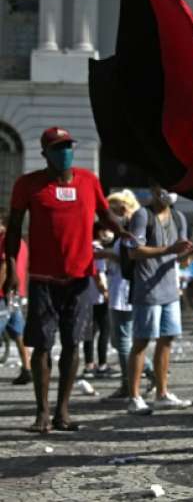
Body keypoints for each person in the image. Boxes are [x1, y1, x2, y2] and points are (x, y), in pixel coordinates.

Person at [5, 126, 131, 433]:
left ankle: (63, 411)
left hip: (79, 279)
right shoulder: (28, 184)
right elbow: (14, 230)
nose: (65, 153)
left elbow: (105, 215)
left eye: (68, 147)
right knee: (42, 346)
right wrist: (11, 269)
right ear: (45, 153)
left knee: (73, 344)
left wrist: (122, 233)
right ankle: (42, 413)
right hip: (42, 278)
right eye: (58, 148)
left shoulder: (89, 181)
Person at [125, 182, 193, 415]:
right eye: (164, 186)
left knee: (167, 340)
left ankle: (162, 393)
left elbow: (181, 259)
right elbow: (134, 251)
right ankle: (134, 397)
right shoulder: (142, 215)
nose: (169, 191)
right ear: (154, 189)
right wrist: (169, 250)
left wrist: (190, 255)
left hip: (170, 290)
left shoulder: (179, 217)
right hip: (147, 290)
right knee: (141, 341)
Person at [102, 190, 154, 401]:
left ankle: (129, 381)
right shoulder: (128, 229)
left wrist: (106, 254)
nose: (111, 216)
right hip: (120, 287)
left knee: (122, 339)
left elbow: (130, 258)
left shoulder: (134, 228)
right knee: (119, 339)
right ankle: (149, 371)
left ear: (123, 209)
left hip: (124, 289)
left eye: (113, 211)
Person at [83, 222, 116, 379]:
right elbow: (96, 272)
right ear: (99, 232)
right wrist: (104, 291)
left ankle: (89, 364)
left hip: (88, 295)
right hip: (98, 295)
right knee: (105, 329)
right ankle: (102, 364)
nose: (108, 233)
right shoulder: (96, 249)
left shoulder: (87, 246)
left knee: (91, 331)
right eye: (106, 230)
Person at [0, 216, 30, 385]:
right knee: (18, 334)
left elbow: (4, 265)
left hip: (4, 292)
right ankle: (27, 368)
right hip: (17, 293)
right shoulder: (21, 242)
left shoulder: (4, 240)